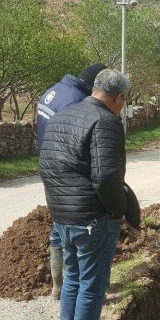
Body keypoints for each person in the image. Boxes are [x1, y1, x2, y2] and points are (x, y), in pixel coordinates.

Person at [40, 68, 129, 320]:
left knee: (73, 280)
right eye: (124, 101)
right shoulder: (106, 122)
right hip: (91, 218)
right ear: (118, 98)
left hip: (62, 215)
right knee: (91, 286)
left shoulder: (63, 114)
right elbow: (106, 178)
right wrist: (118, 211)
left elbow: (47, 165)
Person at [37, 63, 106, 300]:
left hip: (49, 165)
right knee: (68, 228)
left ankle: (59, 286)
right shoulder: (75, 101)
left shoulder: (54, 91)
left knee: (58, 222)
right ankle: (69, 285)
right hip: (66, 169)